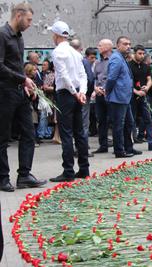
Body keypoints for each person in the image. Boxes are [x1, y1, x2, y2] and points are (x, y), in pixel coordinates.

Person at [0, 3, 47, 192]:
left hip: (20, 92)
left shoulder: (18, 38)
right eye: (28, 19)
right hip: (4, 92)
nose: (30, 23)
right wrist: (23, 79)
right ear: (18, 15)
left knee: (29, 133)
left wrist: (25, 84)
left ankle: (24, 175)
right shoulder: (2, 35)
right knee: (3, 137)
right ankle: (3, 178)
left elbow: (17, 66)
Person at [47, 21, 90, 182]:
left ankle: (68, 171)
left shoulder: (58, 52)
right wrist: (82, 93)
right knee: (80, 132)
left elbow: (63, 75)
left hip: (66, 95)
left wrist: (74, 93)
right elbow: (83, 75)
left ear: (57, 35)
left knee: (66, 133)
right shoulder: (75, 53)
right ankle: (84, 168)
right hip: (77, 94)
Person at [105, 36, 142, 158]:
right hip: (118, 97)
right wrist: (108, 92)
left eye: (129, 44)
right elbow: (111, 78)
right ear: (118, 45)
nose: (128, 46)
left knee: (129, 123)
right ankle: (119, 151)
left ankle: (128, 147)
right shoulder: (116, 58)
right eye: (125, 44)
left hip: (124, 97)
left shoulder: (122, 58)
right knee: (119, 125)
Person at [129, 45, 152, 151]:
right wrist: (136, 91)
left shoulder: (145, 66)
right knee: (131, 121)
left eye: (143, 54)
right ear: (134, 53)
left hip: (143, 96)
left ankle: (151, 144)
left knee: (148, 119)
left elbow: (149, 79)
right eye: (139, 53)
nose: (142, 56)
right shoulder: (128, 66)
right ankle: (129, 145)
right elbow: (127, 82)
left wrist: (146, 88)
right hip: (131, 97)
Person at [92, 39, 113, 153]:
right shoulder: (98, 63)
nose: (98, 47)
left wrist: (105, 89)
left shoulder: (114, 61)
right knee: (101, 120)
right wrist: (95, 88)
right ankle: (103, 145)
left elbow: (113, 77)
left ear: (108, 47)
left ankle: (119, 145)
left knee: (115, 120)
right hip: (99, 95)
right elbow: (95, 78)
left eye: (100, 45)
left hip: (110, 94)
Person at [38, 59, 55, 139]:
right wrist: (53, 88)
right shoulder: (50, 75)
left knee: (52, 117)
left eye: (45, 65)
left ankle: (49, 133)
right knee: (44, 115)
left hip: (55, 97)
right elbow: (45, 87)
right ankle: (41, 133)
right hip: (48, 97)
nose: (42, 66)